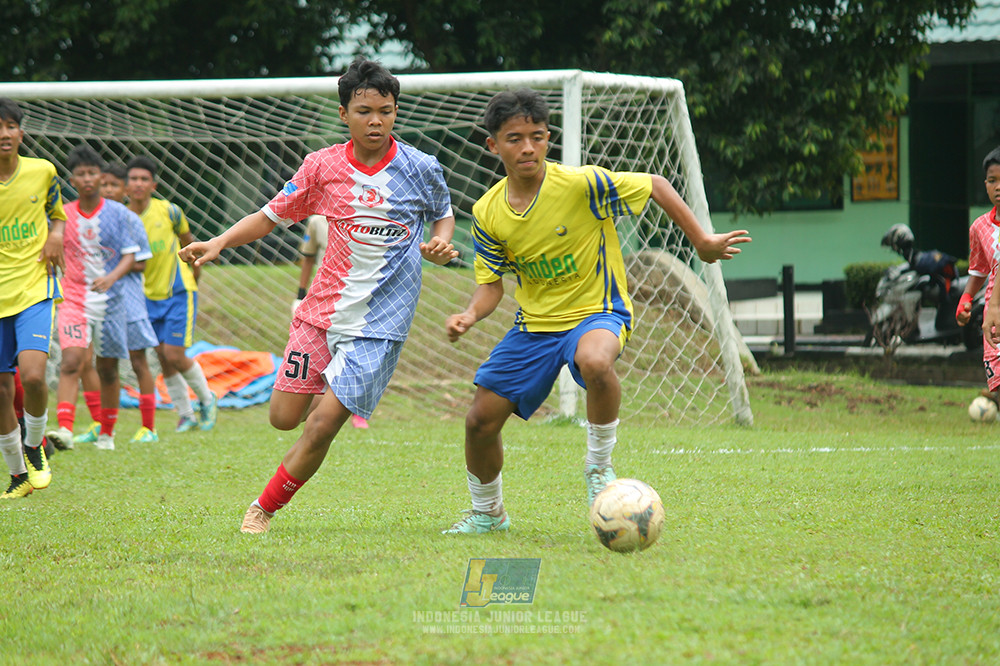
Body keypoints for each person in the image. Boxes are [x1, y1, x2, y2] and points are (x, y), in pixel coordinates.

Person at [442, 89, 752, 533]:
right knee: (479, 422)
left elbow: (656, 185)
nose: (528, 147)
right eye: (514, 138)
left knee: (594, 361)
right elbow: (491, 286)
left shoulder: (581, 184)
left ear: (548, 139)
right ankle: (488, 514)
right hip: (534, 328)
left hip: (598, 312)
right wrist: (470, 315)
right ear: (493, 145)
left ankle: (598, 467)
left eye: (537, 136)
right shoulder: (487, 212)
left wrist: (702, 241)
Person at [179, 58, 458, 534]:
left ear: (396, 112)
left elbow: (443, 213)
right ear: (344, 113)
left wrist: (439, 244)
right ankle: (330, 396)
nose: (377, 121)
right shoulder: (322, 166)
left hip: (380, 326)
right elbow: (270, 216)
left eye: (386, 111)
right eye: (365, 111)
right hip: (319, 315)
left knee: (322, 425)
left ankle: (261, 510)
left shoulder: (420, 167)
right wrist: (219, 241)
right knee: (284, 418)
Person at [47, 145, 140, 451]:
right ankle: (64, 429)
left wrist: (112, 277)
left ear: (101, 176)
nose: (87, 179)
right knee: (71, 360)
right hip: (73, 298)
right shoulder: (64, 215)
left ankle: (107, 433)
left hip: (111, 301)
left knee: (108, 368)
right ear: (72, 179)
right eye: (80, 174)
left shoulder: (119, 214)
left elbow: (130, 255)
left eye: (92, 173)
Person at [0, 97, 66, 498]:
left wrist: (56, 234)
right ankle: (16, 475)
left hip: (33, 287)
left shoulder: (43, 172)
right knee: (0, 391)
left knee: (34, 376)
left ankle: (34, 443)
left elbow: (57, 212)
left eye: (9, 127)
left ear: (20, 133)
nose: (3, 135)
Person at [126, 155, 217, 432]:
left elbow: (190, 244)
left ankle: (207, 399)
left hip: (178, 292)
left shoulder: (169, 211)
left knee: (175, 354)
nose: (139, 184)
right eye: (133, 179)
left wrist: (193, 277)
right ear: (125, 185)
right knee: (163, 357)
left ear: (153, 185)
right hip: (145, 297)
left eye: (144, 179)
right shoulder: (123, 217)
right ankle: (185, 413)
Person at [291, 214, 369, 429]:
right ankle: (321, 403)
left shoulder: (362, 216)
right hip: (323, 297)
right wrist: (300, 294)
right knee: (323, 355)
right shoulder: (316, 222)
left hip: (356, 297)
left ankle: (356, 410)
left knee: (356, 354)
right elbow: (308, 257)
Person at [963, 147, 1000, 398]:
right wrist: (966, 298)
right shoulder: (980, 227)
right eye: (992, 180)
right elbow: (979, 269)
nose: (998, 187)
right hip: (995, 325)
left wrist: (996, 305)